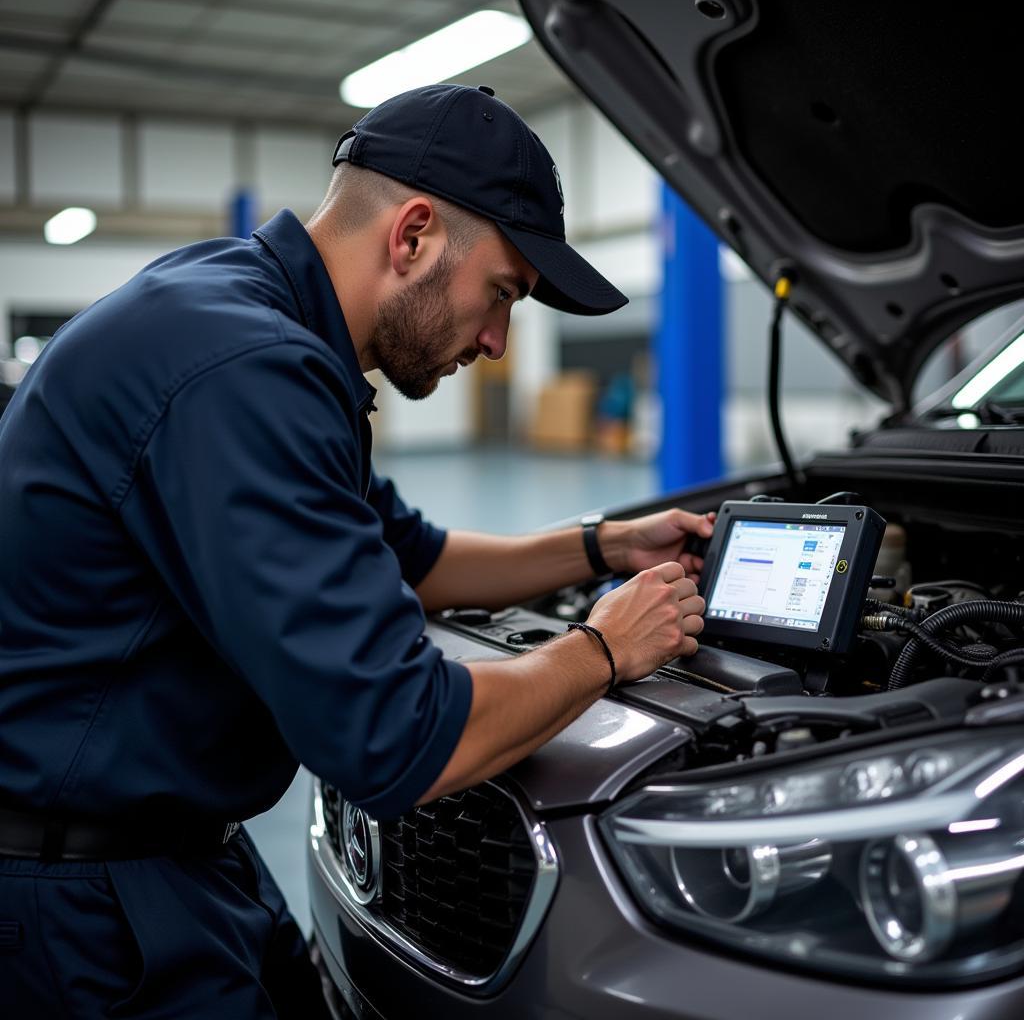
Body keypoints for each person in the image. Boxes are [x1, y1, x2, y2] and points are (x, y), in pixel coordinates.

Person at [0, 84, 711, 1018]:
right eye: (501, 294)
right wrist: (607, 648)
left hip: (171, 850)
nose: (498, 342)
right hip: (85, 906)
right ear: (412, 234)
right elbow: (402, 738)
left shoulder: (249, 315)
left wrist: (601, 545)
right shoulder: (246, 370)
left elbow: (414, 559)